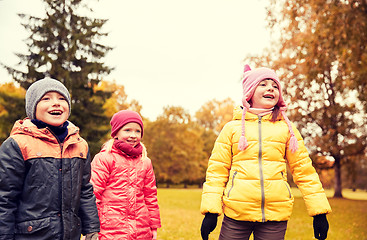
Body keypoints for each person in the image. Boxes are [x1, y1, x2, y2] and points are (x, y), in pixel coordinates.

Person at [200, 65, 332, 240]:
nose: (271, 88)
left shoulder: (287, 129)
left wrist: (319, 212)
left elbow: (304, 170)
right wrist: (211, 211)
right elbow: (217, 171)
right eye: (263, 84)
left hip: (275, 216)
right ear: (249, 92)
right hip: (237, 214)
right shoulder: (232, 129)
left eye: (275, 86)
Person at [0, 78, 100, 240]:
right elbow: (5, 198)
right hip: (31, 235)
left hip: (70, 234)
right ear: (33, 108)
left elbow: (85, 191)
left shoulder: (80, 145)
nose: (56, 103)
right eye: (46, 98)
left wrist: (91, 228)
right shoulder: (18, 144)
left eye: (62, 99)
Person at [90, 110, 161, 240]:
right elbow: (94, 194)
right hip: (110, 230)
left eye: (137, 131)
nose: (133, 135)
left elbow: (150, 196)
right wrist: (91, 227)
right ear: (116, 133)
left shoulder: (145, 161)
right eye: (127, 130)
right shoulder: (105, 158)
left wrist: (153, 226)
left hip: (141, 229)